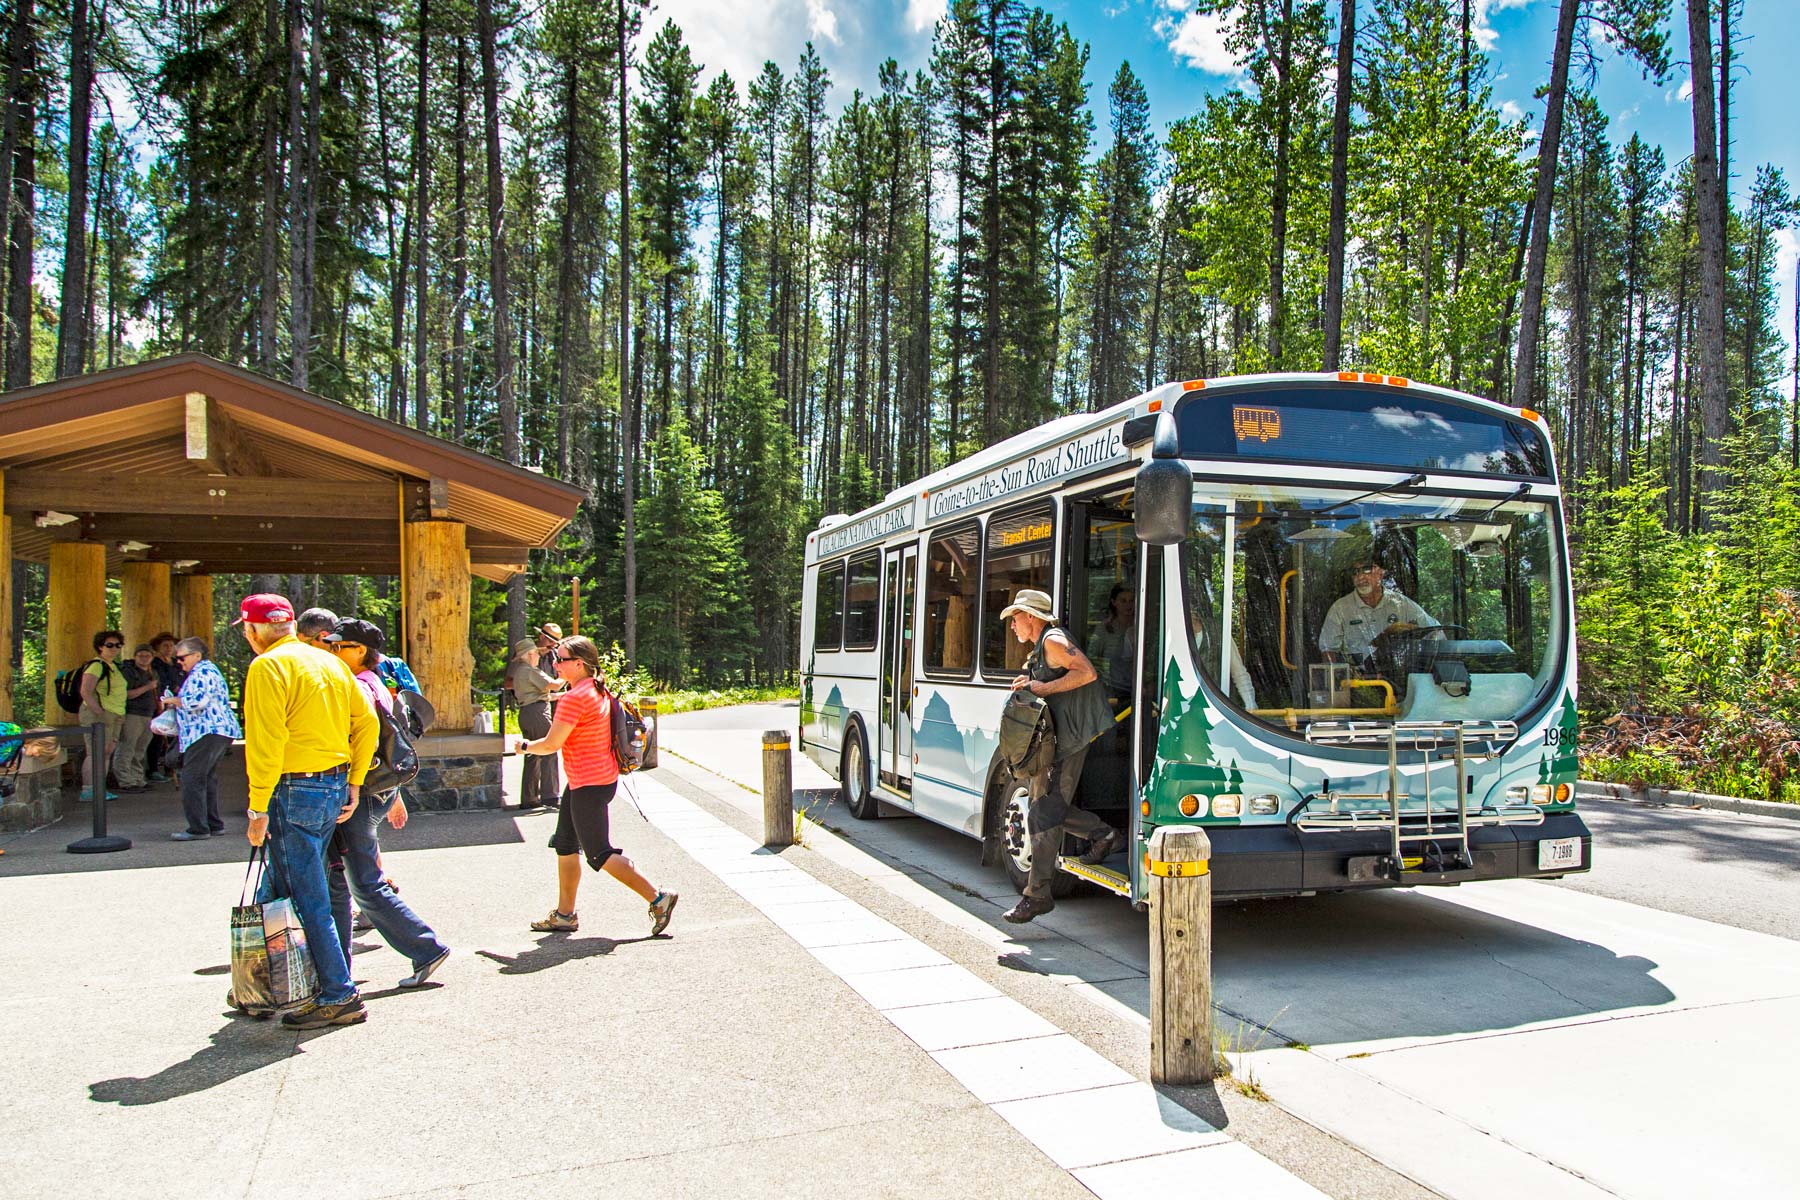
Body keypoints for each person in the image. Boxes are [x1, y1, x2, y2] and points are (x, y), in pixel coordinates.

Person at [237, 592, 379, 1029]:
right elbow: (367, 722)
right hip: (333, 785)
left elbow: (266, 742)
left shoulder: (267, 666)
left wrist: (256, 807)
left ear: (252, 628)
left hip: (291, 788)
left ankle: (338, 994)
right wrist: (354, 781)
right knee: (282, 883)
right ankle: (260, 983)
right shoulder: (329, 661)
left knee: (305, 893)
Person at [515, 635, 677, 936]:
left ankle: (659, 898)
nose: (555, 663)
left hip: (588, 783)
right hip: (592, 780)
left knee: (600, 853)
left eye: (560, 659)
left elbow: (551, 744)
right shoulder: (596, 689)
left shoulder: (574, 698)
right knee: (565, 844)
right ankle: (565, 915)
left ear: (579, 664)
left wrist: (524, 746)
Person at [322, 617, 451, 989]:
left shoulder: (359, 686)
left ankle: (425, 947)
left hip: (360, 793)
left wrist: (353, 786)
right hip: (373, 790)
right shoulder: (374, 682)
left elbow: (363, 741)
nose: (332, 651)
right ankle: (336, 966)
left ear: (359, 651)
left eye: (338, 646)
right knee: (342, 879)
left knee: (362, 881)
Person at [997, 589, 1123, 925]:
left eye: (1015, 617)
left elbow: (1086, 673)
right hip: (1059, 740)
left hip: (1071, 740)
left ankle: (1037, 895)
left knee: (1044, 813)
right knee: (1045, 810)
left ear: (1031, 617)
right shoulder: (1043, 647)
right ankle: (1103, 835)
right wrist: (1033, 680)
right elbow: (1054, 676)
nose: (1012, 625)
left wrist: (1041, 688)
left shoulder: (1052, 639)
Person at [162, 637, 242, 841]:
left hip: (206, 731)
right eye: (176, 660)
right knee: (206, 778)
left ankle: (198, 828)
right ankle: (212, 824)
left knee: (191, 779)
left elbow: (196, 702)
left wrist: (172, 700)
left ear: (197, 655)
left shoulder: (203, 671)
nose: (179, 663)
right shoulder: (206, 671)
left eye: (181, 658)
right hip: (213, 731)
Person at [1318, 554, 1440, 665]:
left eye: (1366, 569)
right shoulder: (1340, 608)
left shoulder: (1400, 603)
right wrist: (1338, 680)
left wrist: (1413, 630)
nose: (1360, 577)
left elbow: (1435, 631)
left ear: (1381, 573)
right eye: (1355, 572)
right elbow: (1328, 649)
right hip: (1359, 682)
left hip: (1397, 676)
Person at [507, 637, 565, 812]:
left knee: (532, 753)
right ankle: (551, 796)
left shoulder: (519, 672)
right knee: (549, 750)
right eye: (537, 654)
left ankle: (529, 797)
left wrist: (564, 695)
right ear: (530, 654)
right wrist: (566, 675)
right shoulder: (530, 670)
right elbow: (554, 686)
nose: (539, 657)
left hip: (527, 713)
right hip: (538, 714)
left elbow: (545, 695)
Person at [77, 630, 127, 801]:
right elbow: (85, 691)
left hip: (116, 713)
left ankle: (99, 788)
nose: (115, 648)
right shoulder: (96, 665)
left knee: (106, 752)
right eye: (110, 645)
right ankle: (88, 789)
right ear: (100, 647)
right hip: (99, 715)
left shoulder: (113, 666)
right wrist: (99, 712)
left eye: (118, 645)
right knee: (95, 752)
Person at [114, 644, 161, 794]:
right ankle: (125, 780)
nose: (144, 659)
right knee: (127, 747)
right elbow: (127, 694)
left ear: (152, 658)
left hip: (148, 714)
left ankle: (137, 778)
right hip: (132, 713)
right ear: (135, 657)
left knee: (140, 749)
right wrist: (148, 687)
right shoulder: (129, 672)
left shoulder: (153, 673)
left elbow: (158, 694)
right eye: (140, 655)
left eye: (147, 656)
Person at [146, 632, 183, 782]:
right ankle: (153, 769)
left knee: (175, 736)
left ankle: (172, 767)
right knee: (158, 738)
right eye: (165, 646)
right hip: (161, 702)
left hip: (177, 703)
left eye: (171, 645)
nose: (169, 648)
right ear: (157, 648)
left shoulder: (176, 662)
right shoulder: (155, 664)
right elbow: (159, 683)